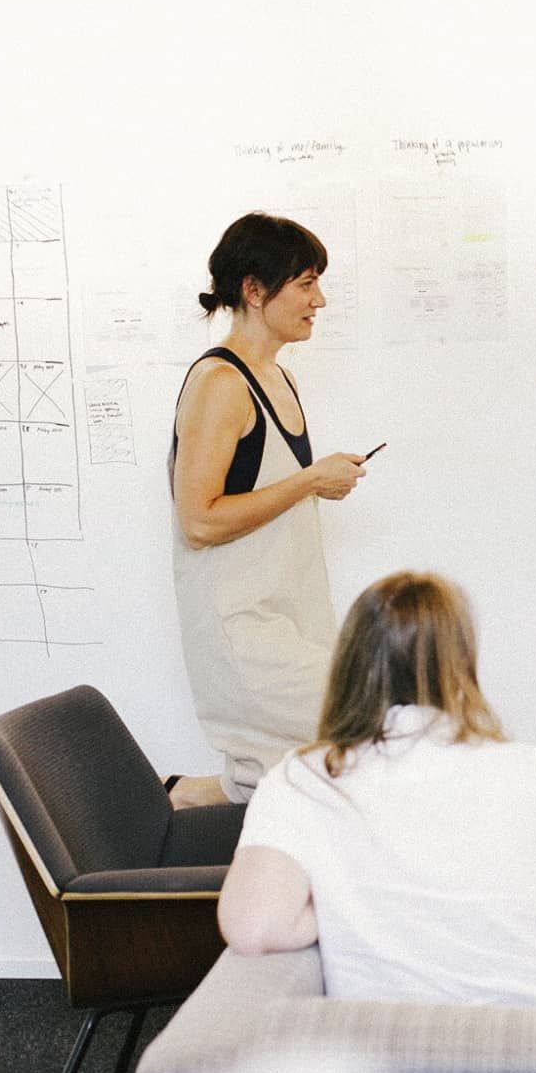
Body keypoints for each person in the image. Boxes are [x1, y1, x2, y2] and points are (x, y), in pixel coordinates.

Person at [217, 571, 536, 1008]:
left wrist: (341, 904)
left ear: (349, 664)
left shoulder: (304, 778)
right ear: (460, 668)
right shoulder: (534, 770)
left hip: (399, 1059)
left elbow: (255, 926)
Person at [168, 213, 368, 808]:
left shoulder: (278, 377)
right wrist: (309, 479)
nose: (320, 300)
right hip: (244, 631)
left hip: (289, 620)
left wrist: (313, 483)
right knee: (368, 733)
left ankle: (185, 798)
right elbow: (199, 520)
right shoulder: (220, 382)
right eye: (305, 284)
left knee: (297, 770)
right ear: (254, 291)